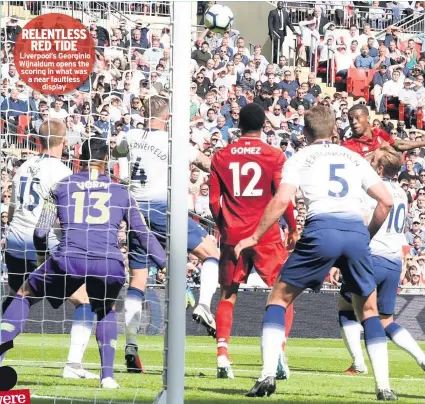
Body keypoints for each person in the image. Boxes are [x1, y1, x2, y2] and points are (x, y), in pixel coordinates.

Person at [235, 105, 397, 400]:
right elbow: (385, 201)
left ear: (306, 132)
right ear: (335, 129)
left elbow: (282, 199)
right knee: (369, 311)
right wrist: (365, 235)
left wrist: (254, 236)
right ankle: (384, 387)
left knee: (278, 299)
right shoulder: (353, 157)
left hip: (322, 228)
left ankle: (267, 375)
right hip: (355, 232)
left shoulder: (300, 157)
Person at [0, 137, 167, 389]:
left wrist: (44, 258)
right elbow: (143, 234)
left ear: (78, 157)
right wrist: (164, 263)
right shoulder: (122, 192)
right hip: (108, 263)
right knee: (106, 309)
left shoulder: (61, 186)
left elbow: (41, 232)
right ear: (107, 161)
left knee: (23, 295)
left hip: (69, 259)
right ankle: (107, 376)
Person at [114, 96, 219, 373]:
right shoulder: (172, 142)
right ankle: (205, 305)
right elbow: (207, 164)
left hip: (135, 209)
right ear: (167, 117)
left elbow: (118, 152)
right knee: (212, 254)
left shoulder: (131, 135)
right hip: (164, 208)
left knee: (137, 278)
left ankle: (131, 346)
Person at [4, 119, 97, 380]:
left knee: (18, 297)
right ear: (64, 142)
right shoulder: (61, 172)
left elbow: (12, 210)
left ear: (37, 140)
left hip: (14, 241)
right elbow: (64, 218)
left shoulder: (22, 167)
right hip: (41, 245)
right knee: (84, 300)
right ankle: (73, 365)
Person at [209, 103, 297, 379]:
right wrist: (293, 227)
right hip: (266, 234)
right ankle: (278, 350)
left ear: (239, 123)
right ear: (263, 125)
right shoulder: (274, 155)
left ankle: (223, 355)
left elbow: (214, 201)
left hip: (233, 234)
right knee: (283, 295)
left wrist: (225, 226)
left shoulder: (221, 155)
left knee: (227, 294)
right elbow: (283, 198)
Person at [338, 146, 425, 376]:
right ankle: (421, 357)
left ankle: (358, 363)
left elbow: (365, 219)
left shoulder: (373, 190)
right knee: (386, 320)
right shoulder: (402, 193)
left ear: (378, 167)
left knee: (346, 308)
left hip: (371, 256)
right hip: (394, 260)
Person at [343, 104, 425, 158]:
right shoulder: (348, 145)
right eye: (350, 119)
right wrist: (379, 151)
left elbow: (399, 144)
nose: (353, 122)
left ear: (368, 118)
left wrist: (423, 143)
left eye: (357, 117)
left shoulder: (378, 132)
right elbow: (357, 165)